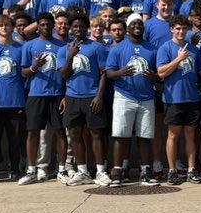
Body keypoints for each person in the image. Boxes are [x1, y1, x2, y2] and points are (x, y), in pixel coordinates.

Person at [105, 15, 160, 186]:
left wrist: (155, 77)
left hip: (146, 97)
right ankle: (117, 172)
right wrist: (121, 73)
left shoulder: (152, 49)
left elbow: (159, 73)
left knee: (145, 136)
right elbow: (108, 73)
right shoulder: (118, 49)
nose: (137, 26)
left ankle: (145, 172)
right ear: (127, 29)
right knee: (121, 136)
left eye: (140, 24)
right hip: (124, 96)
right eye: (133, 24)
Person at [59, 14, 111, 186]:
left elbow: (104, 73)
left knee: (96, 134)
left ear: (86, 28)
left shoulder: (97, 48)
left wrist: (99, 96)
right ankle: (82, 171)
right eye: (75, 27)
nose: (78, 30)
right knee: (75, 135)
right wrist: (71, 56)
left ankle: (101, 171)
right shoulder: (63, 49)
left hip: (92, 96)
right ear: (70, 29)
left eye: (81, 27)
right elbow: (64, 75)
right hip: (73, 97)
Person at [157, 16, 201, 184]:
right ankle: (172, 170)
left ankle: (192, 169)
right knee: (173, 135)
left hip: (192, 97)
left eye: (183, 29)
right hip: (174, 99)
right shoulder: (165, 48)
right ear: (171, 29)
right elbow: (161, 73)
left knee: (191, 135)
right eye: (177, 28)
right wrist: (178, 59)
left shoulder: (193, 49)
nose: (180, 32)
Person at [18, 13, 66, 184]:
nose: (46, 27)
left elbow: (67, 73)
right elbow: (23, 72)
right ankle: (31, 170)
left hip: (57, 95)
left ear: (54, 26)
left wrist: (65, 95)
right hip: (36, 94)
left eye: (48, 24)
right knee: (32, 132)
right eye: (42, 25)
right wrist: (34, 67)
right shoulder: (29, 46)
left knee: (60, 132)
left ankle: (62, 169)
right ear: (37, 26)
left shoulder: (62, 46)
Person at [0, 14, 26, 181]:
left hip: (15, 101)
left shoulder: (20, 49)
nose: (4, 28)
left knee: (15, 139)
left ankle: (15, 168)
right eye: (1, 26)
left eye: (8, 25)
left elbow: (23, 74)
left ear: (12, 28)